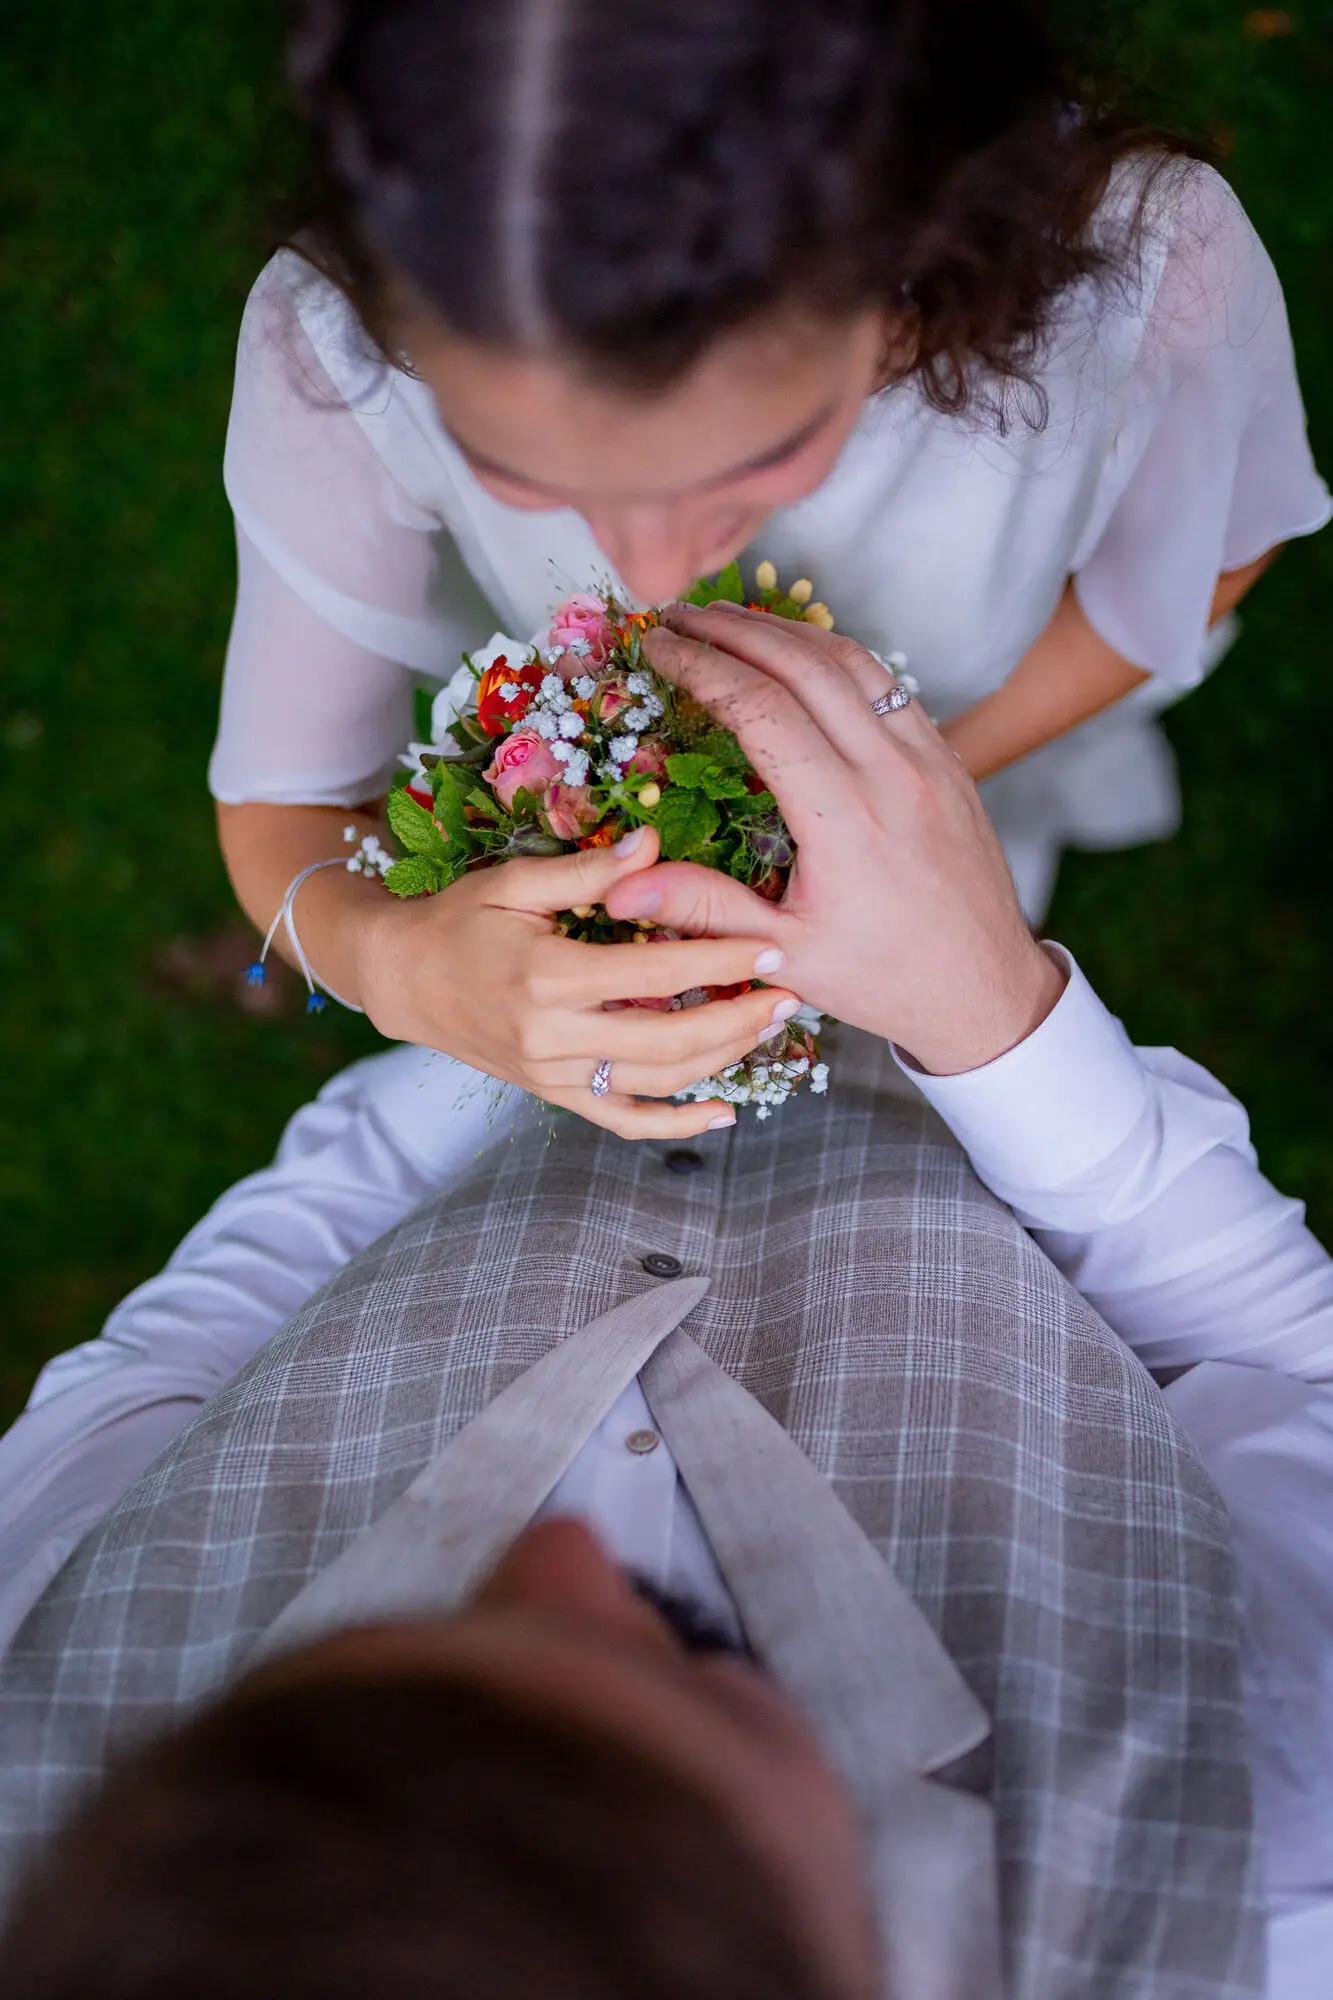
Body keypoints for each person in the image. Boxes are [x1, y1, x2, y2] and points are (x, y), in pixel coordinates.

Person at [0, 611, 1329, 1998]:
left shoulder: (31, 1695)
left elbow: (189, 1349)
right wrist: (987, 1017)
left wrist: (483, 1024)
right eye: (693, 1664)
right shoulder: (1258, 1874)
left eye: (428, 1611)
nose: (566, 1548)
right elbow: (1288, 1374)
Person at [211, 0, 1329, 1111]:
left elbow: (1215, 554)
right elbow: (282, 807)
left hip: (980, 713)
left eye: (766, 454)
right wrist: (394, 967)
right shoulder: (334, 348)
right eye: (519, 469)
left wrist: (913, 788)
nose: (647, 579)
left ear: (923, 237)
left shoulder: (1152, 273)